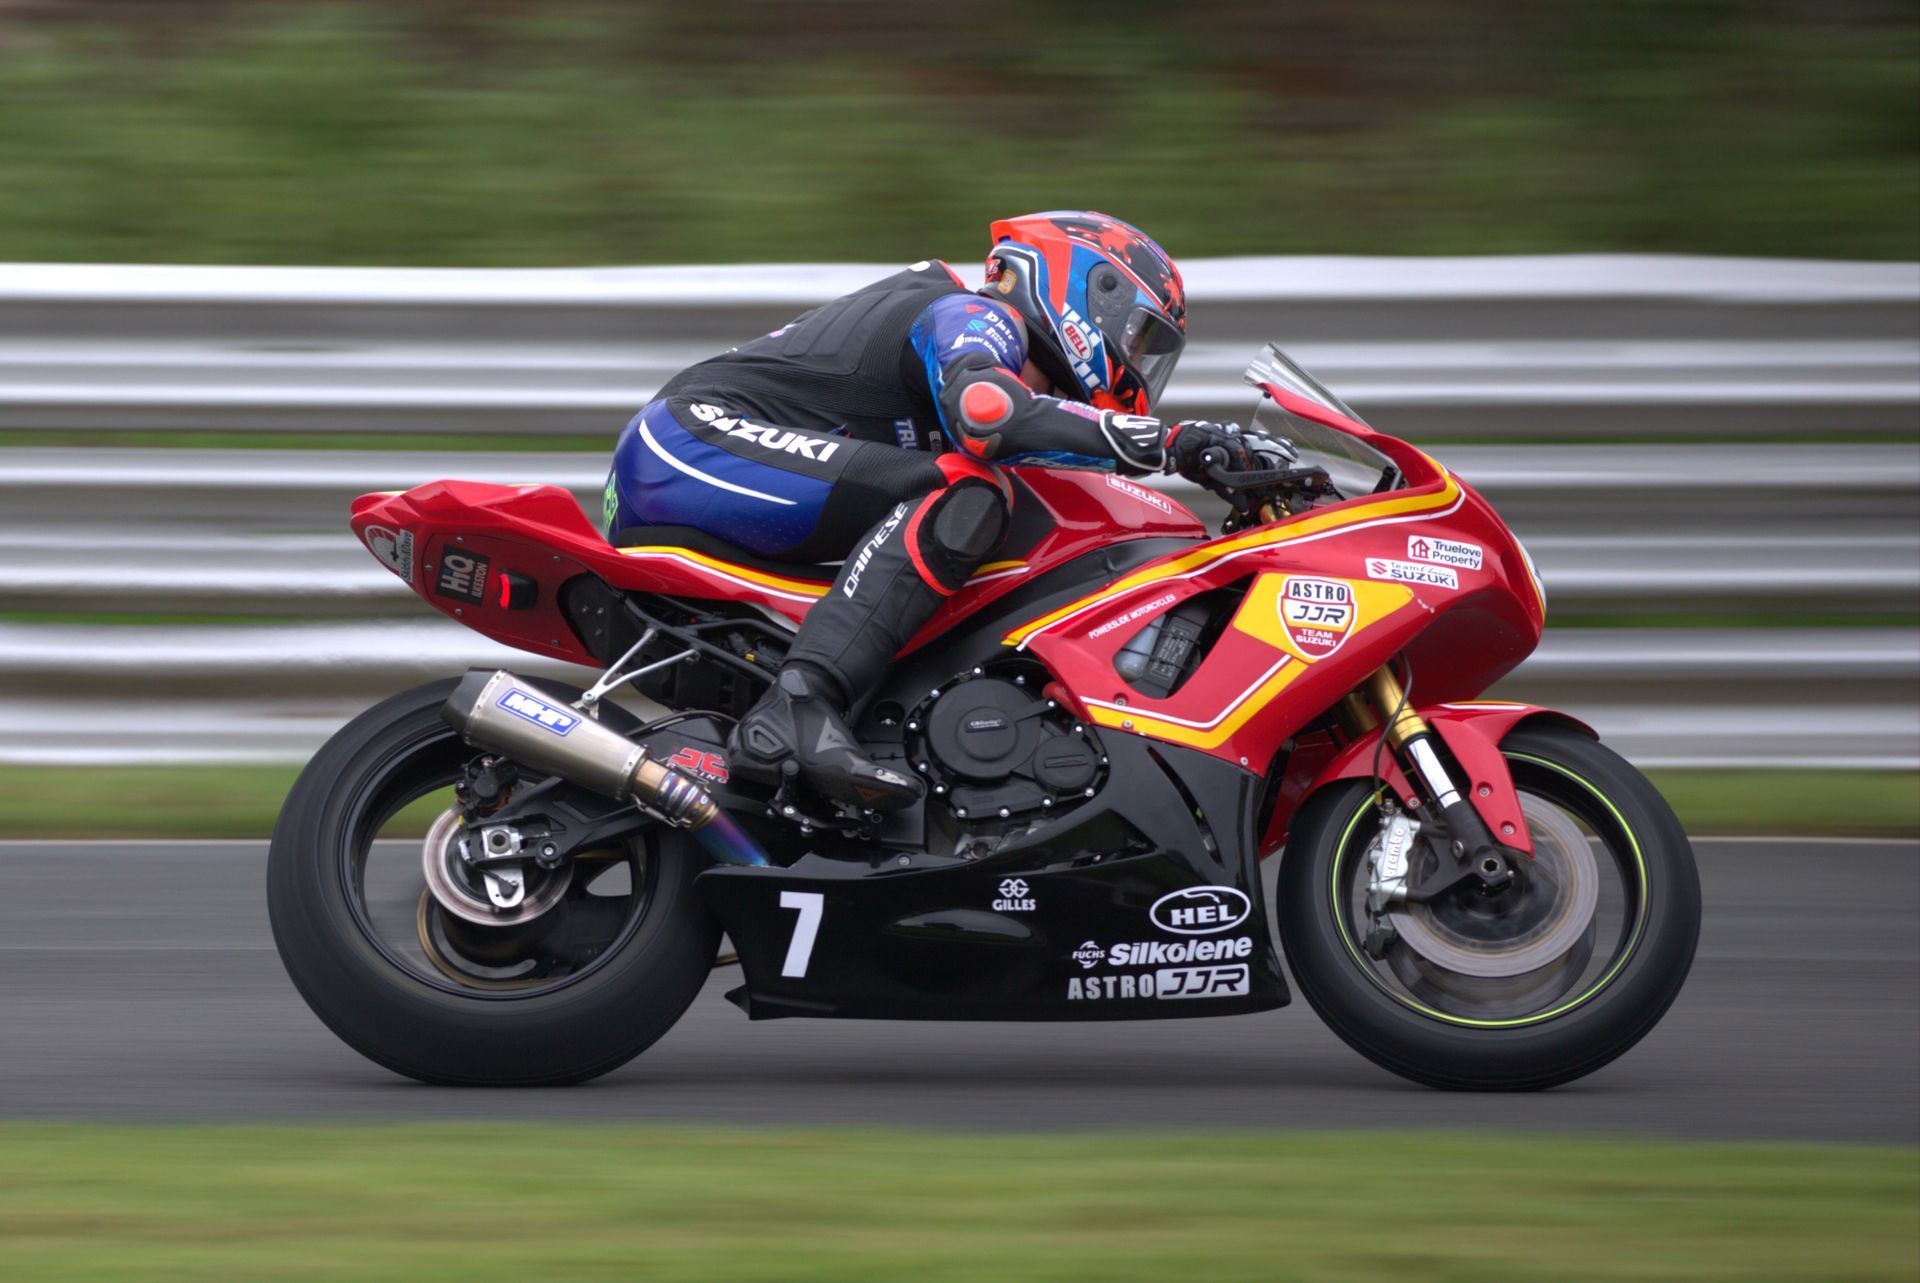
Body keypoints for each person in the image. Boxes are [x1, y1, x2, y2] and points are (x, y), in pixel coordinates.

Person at [603, 211, 1255, 812]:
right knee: (970, 493)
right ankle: (800, 705)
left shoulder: (988, 346)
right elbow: (987, 414)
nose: (1138, 367)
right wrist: (1171, 443)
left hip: (709, 461)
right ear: (1090, 293)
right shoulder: (975, 314)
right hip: (689, 442)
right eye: (1139, 339)